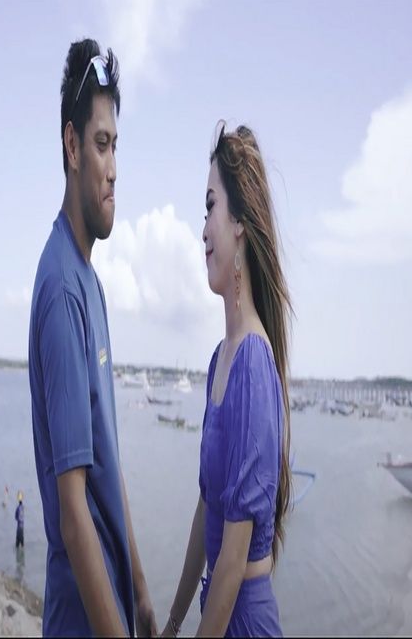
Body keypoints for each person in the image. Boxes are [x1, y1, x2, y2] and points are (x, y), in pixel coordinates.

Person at [28, 38, 157, 637]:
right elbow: (74, 513)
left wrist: (143, 595)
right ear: (72, 146)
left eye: (116, 146)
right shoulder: (61, 288)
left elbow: (107, 459)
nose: (114, 168)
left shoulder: (90, 283)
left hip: (113, 608)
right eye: (101, 144)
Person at [163, 122, 293, 638]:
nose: (202, 230)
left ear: (239, 222)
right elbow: (206, 510)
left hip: (243, 622)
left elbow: (232, 567)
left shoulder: (253, 366)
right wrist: (172, 623)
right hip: (218, 616)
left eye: (210, 207)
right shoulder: (222, 359)